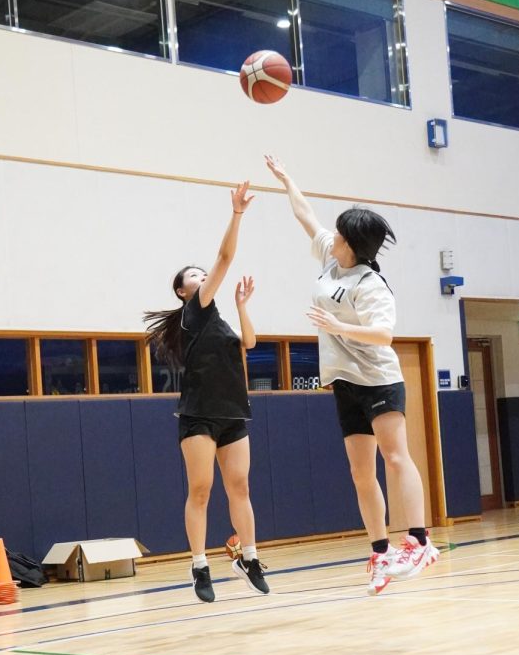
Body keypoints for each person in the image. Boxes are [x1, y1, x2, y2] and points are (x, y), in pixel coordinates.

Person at [265, 153, 439, 595]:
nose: (333, 237)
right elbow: (307, 217)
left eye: (340, 235)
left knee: (395, 457)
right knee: (361, 472)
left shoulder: (370, 284)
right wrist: (287, 179)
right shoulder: (330, 258)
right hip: (344, 382)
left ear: (354, 246)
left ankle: (419, 540)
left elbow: (384, 334)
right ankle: (380, 549)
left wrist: (340, 326)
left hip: (378, 379)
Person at [145, 182, 269, 603]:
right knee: (201, 490)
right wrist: (237, 214)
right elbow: (226, 257)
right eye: (194, 276)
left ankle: (248, 557)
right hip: (198, 414)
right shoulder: (192, 314)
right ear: (184, 291)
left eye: (202, 274)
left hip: (233, 410)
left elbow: (249, 344)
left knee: (241, 487)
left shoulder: (216, 319)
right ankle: (199, 565)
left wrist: (242, 306)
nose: (202, 276)